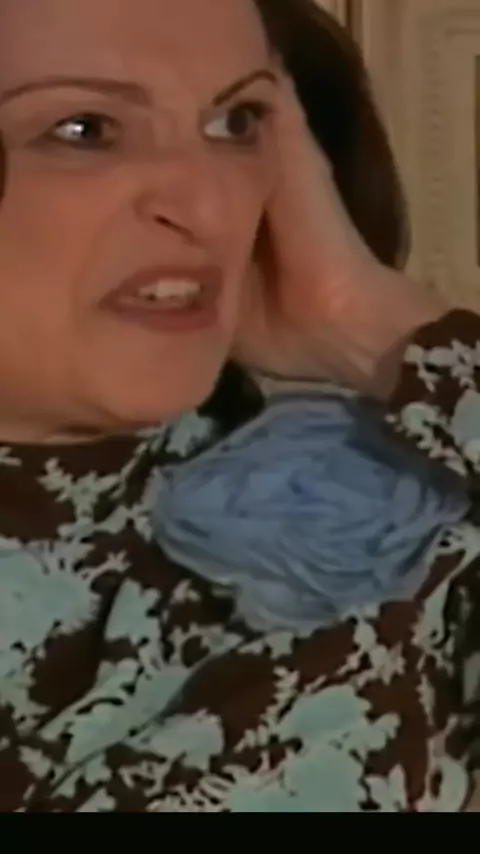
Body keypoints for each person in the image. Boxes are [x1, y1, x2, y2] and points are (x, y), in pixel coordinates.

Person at [0, 0, 478, 813]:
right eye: (84, 129)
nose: (212, 209)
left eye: (236, 122)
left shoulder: (395, 536)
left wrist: (368, 328)